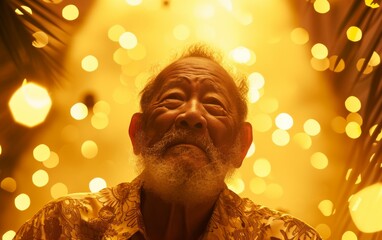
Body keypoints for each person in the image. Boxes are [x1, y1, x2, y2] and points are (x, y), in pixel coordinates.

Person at [14, 44, 322, 240]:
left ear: (241, 145)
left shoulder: (284, 236)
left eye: (214, 105)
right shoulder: (65, 226)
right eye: (173, 99)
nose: (191, 115)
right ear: (138, 133)